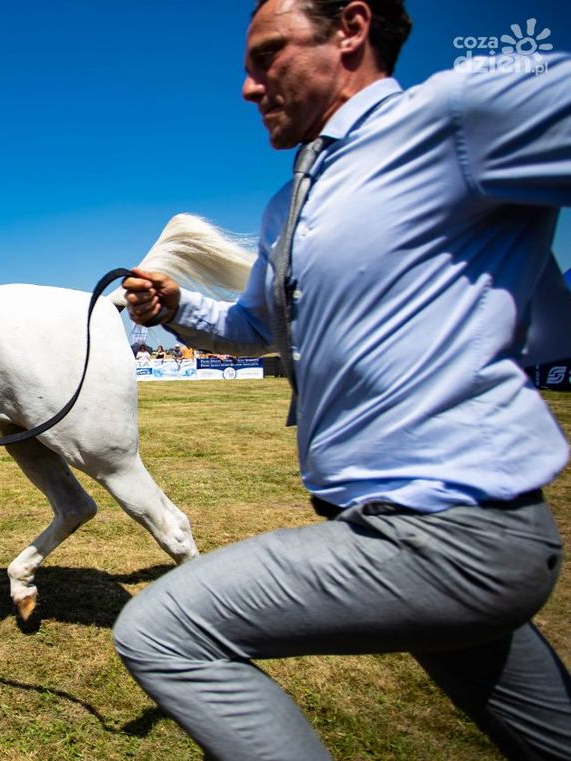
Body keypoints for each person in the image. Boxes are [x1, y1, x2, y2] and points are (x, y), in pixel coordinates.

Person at [114, 1, 571, 759]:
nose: (248, 87)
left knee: (164, 630)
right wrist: (174, 305)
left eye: (268, 56)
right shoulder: (287, 202)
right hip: (381, 526)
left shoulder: (453, 117)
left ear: (351, 30)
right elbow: (257, 331)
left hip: (449, 533)